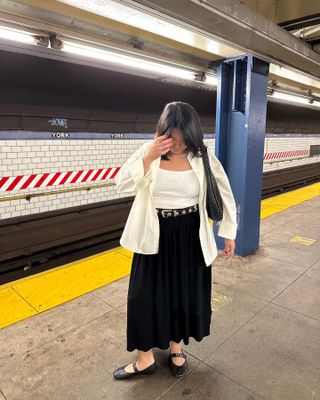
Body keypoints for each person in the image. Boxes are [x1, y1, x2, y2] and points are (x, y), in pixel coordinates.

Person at [113, 101, 237, 380]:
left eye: (184, 139)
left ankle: (176, 348)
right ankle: (145, 358)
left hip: (191, 233)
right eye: (173, 138)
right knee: (143, 296)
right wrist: (147, 158)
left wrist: (228, 230)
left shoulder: (202, 156)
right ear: (162, 132)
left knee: (184, 293)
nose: (179, 145)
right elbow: (121, 184)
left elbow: (224, 191)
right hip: (153, 232)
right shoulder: (149, 152)